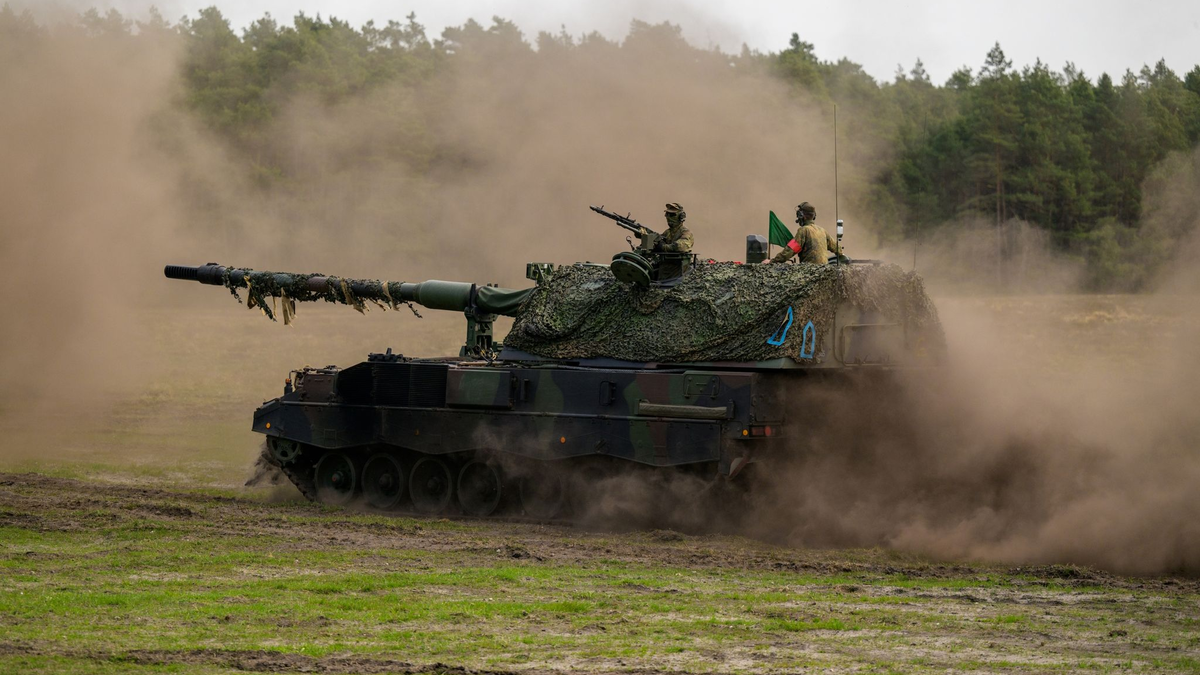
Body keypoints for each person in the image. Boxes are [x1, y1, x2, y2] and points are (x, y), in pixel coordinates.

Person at [765, 201, 842, 264]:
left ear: (802, 216)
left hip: (809, 272)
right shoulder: (822, 230)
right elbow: (837, 248)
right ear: (814, 216)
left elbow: (790, 250)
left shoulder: (803, 231)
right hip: (824, 271)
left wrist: (772, 261)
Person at [643, 202, 694, 279]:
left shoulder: (685, 232)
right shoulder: (667, 232)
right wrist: (645, 237)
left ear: (680, 216)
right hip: (664, 270)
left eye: (672, 215)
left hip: (677, 272)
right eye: (667, 214)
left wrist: (663, 247)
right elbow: (652, 246)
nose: (668, 217)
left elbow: (681, 246)